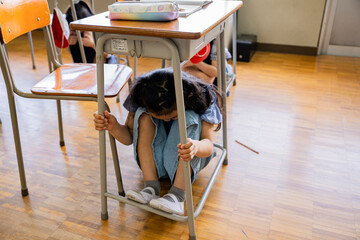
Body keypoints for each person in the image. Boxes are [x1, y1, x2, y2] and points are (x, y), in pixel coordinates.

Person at [93, 68, 223, 215]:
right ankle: (150, 187)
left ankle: (178, 196)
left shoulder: (201, 98)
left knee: (189, 116)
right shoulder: (142, 95)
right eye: (161, 118)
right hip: (157, 163)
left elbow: (209, 146)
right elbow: (130, 138)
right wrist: (113, 126)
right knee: (143, 115)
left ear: (188, 97)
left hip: (188, 159)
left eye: (172, 117)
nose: (167, 120)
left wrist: (195, 147)